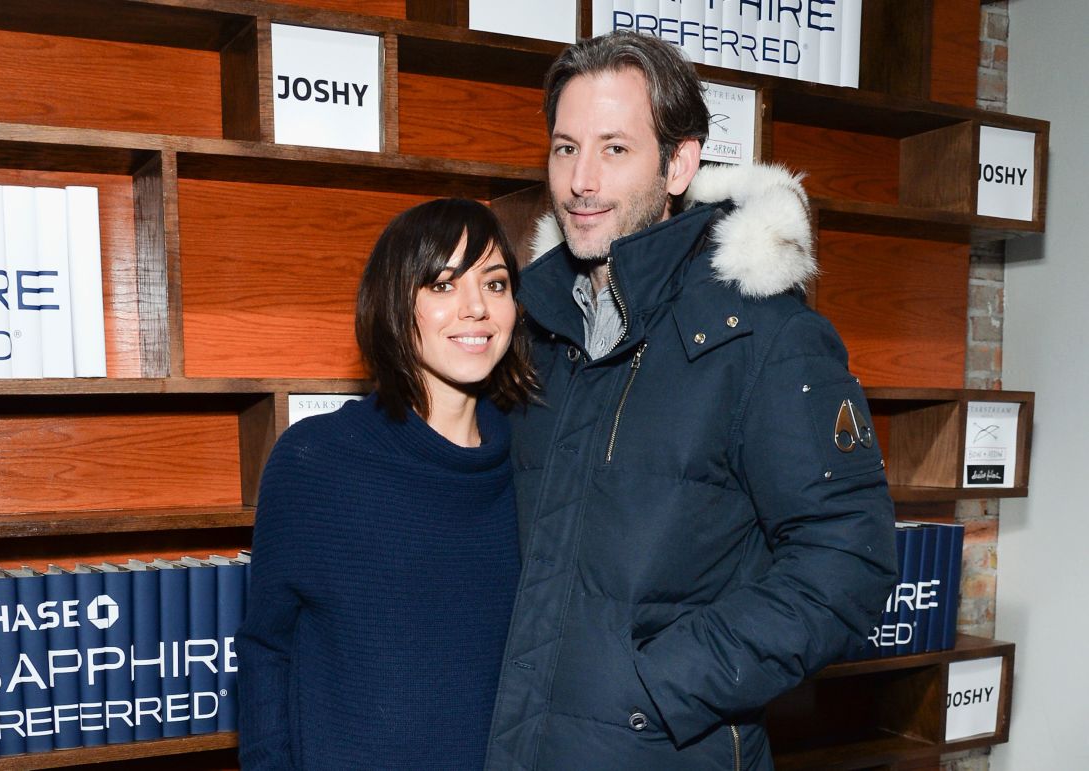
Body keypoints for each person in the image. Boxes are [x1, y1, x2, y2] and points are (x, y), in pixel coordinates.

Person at [485, 32, 898, 770]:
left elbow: (847, 563)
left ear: (679, 163)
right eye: (564, 147)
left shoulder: (766, 335)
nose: (581, 179)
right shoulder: (537, 328)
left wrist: (666, 682)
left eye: (615, 149)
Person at [237, 198, 536, 769]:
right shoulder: (316, 462)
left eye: (495, 285)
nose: (476, 308)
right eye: (443, 286)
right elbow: (265, 650)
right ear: (397, 304)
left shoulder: (535, 464)